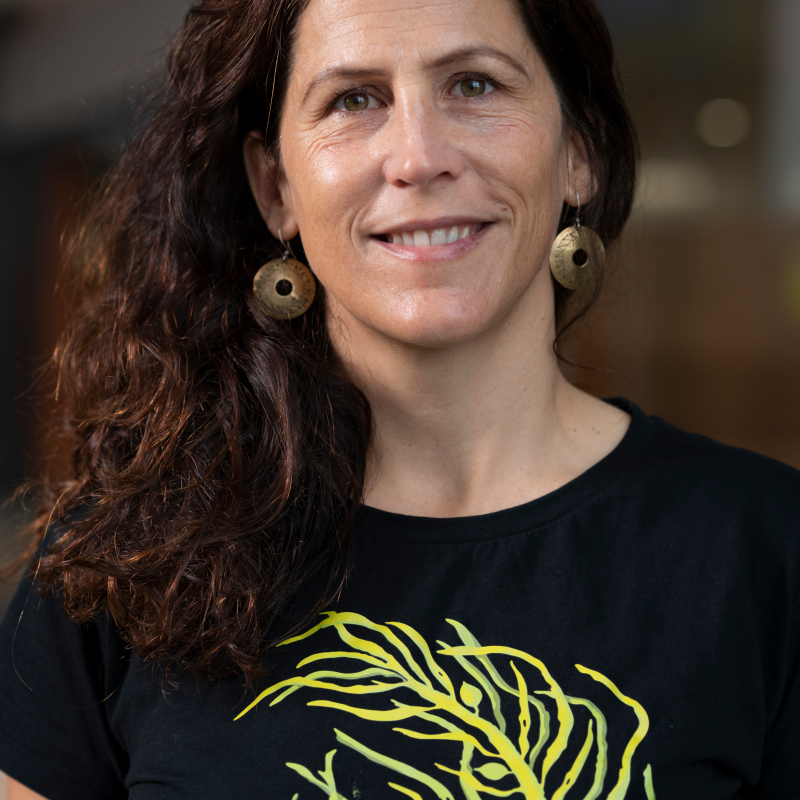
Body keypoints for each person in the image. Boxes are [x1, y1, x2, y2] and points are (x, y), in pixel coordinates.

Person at [0, 0, 798, 797]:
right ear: (275, 187)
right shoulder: (130, 558)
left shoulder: (768, 549)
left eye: (475, 85)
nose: (418, 157)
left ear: (578, 152)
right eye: (354, 99)